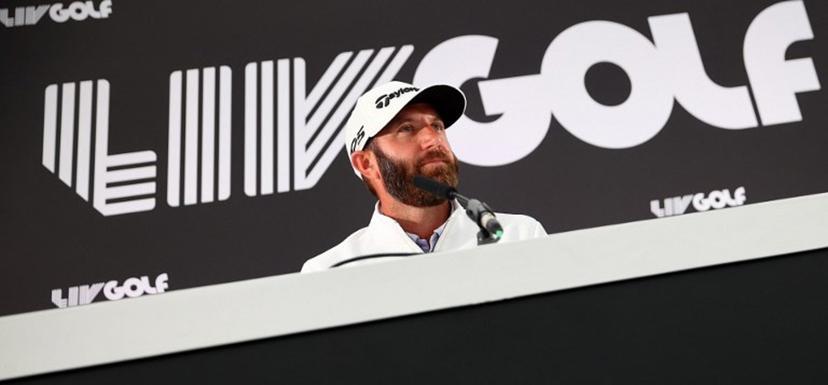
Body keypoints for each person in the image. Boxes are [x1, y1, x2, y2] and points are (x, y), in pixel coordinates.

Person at [301, 81, 546, 272]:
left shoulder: (520, 236)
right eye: (406, 129)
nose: (433, 140)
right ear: (366, 163)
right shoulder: (332, 270)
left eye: (437, 126)